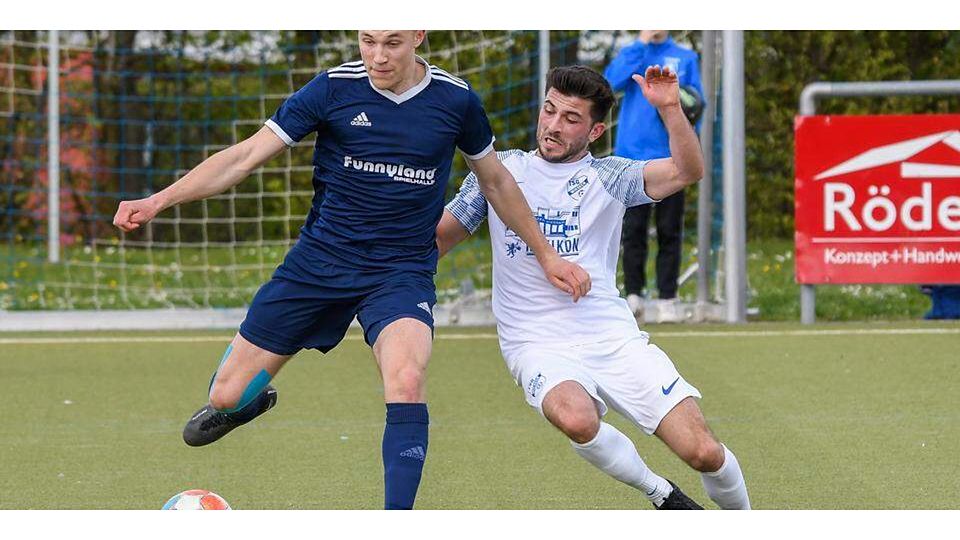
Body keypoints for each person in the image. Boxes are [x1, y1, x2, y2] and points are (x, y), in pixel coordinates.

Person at [112, 30, 590, 510]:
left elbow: (496, 182)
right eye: (368, 41)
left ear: (419, 36)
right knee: (224, 396)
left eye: (393, 43)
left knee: (406, 378)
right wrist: (158, 200)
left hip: (400, 271)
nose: (378, 56)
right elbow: (244, 157)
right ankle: (242, 405)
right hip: (319, 264)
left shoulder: (456, 100)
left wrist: (547, 254)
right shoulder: (332, 88)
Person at [436, 65, 749, 509]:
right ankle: (663, 495)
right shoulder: (498, 173)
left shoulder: (611, 176)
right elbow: (438, 240)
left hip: (611, 336)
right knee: (576, 418)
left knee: (703, 452)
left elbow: (687, 170)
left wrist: (671, 110)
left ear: (596, 130)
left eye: (571, 119)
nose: (553, 126)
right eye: (550, 111)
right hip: (535, 341)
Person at [604, 31, 704, 321]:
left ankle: (667, 298)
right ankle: (634, 295)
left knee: (669, 230)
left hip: (671, 159)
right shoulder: (632, 53)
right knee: (632, 231)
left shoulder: (686, 57)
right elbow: (609, 84)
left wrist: (680, 102)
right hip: (631, 157)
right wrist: (641, 42)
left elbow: (697, 102)